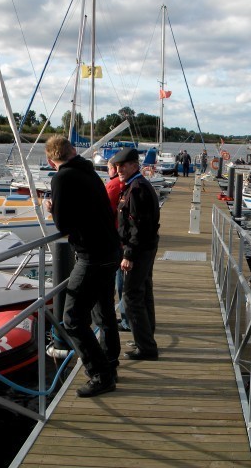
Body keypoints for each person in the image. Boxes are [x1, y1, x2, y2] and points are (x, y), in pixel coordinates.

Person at [44, 135, 121, 397]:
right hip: (110, 249)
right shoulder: (90, 174)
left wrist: (50, 208)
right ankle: (110, 364)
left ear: (50, 159)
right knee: (103, 312)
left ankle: (101, 374)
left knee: (73, 319)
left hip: (92, 254)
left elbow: (63, 224)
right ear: (73, 151)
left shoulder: (62, 178)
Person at [111, 147, 160, 361]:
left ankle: (146, 347)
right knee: (143, 291)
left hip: (138, 251)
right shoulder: (135, 186)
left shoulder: (137, 189)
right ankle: (146, 338)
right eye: (117, 166)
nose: (119, 169)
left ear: (134, 165)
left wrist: (128, 255)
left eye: (124, 165)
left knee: (131, 296)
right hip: (145, 248)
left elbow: (137, 226)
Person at [105, 160, 129, 332]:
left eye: (108, 168)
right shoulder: (126, 184)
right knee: (124, 282)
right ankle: (128, 318)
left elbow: (104, 211)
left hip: (119, 240)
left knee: (121, 283)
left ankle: (126, 320)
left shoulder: (113, 186)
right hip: (124, 239)